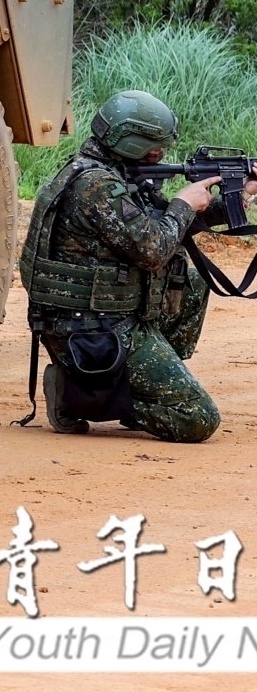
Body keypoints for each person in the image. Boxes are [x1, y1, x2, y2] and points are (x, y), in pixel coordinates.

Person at [17, 89, 223, 442]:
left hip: (105, 312)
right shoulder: (97, 187)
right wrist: (184, 203)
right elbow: (153, 249)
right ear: (129, 142)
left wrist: (238, 194)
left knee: (190, 283)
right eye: (155, 147)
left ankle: (137, 383)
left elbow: (166, 225)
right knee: (196, 419)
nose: (160, 155)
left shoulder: (111, 172)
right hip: (92, 328)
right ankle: (75, 396)